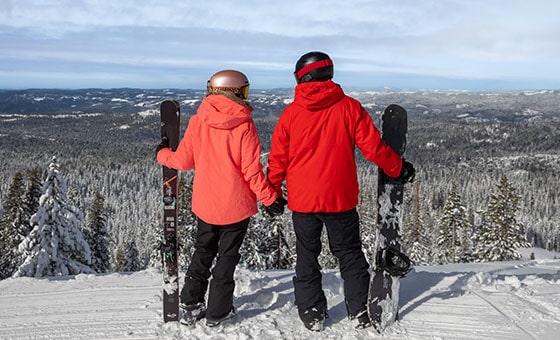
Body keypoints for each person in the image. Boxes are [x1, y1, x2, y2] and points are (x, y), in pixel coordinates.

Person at [267, 52, 415, 331]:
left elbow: (278, 159)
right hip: (340, 199)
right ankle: (359, 310)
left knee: (306, 256)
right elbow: (374, 149)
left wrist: (272, 192)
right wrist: (398, 169)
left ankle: (311, 314)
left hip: (304, 202)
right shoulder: (349, 108)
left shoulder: (291, 114)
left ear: (303, 76)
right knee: (349, 254)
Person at [156, 69, 287, 327]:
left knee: (202, 251)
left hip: (206, 204)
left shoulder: (199, 121)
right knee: (227, 258)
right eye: (244, 91)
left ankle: (190, 305)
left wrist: (162, 155)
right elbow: (251, 171)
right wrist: (270, 199)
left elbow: (182, 161)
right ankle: (218, 312)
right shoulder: (244, 125)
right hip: (236, 208)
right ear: (235, 92)